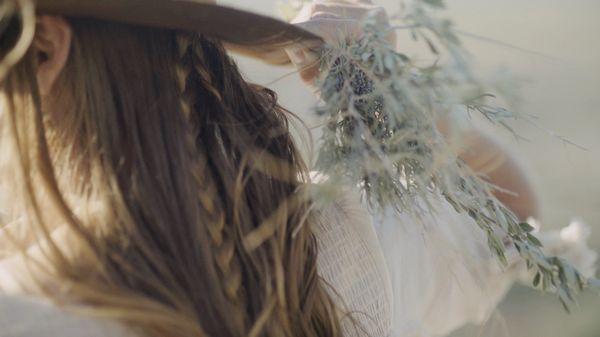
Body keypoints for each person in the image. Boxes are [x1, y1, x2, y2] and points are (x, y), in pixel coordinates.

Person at [0, 1, 595, 337]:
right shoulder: (319, 244)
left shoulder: (25, 313)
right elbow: (511, 215)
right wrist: (395, 93)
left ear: (46, 49)